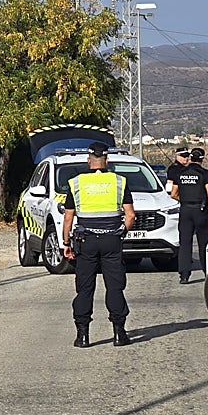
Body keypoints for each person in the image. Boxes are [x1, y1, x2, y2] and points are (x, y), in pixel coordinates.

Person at [62, 143, 136, 348]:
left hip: (85, 242)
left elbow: (68, 218)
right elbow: (130, 216)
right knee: (115, 287)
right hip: (112, 240)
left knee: (85, 289)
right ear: (107, 160)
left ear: (88, 160)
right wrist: (121, 233)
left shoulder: (76, 183)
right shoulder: (119, 182)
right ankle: (119, 334)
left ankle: (83, 336)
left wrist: (66, 243)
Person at [171, 147, 208, 284]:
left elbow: (173, 194)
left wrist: (184, 200)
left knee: (185, 243)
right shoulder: (205, 174)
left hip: (185, 210)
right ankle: (207, 271)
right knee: (204, 243)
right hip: (200, 210)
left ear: (191, 158)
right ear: (202, 159)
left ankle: (184, 275)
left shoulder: (180, 173)